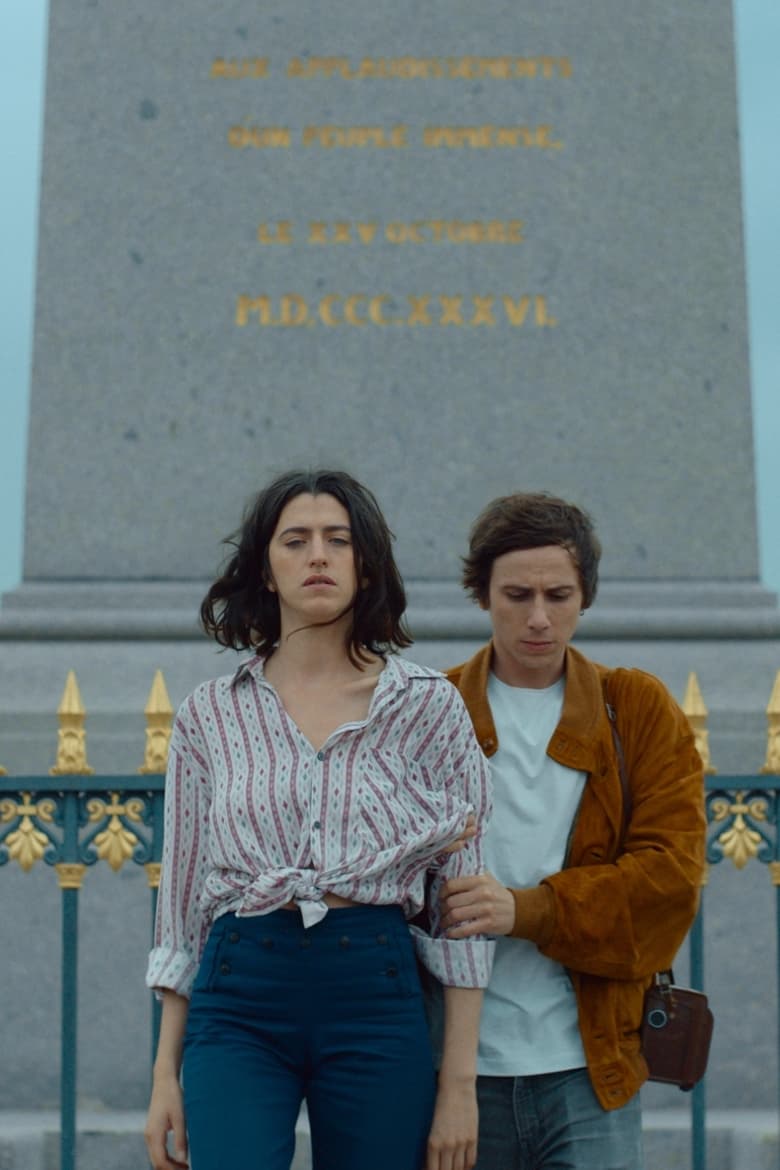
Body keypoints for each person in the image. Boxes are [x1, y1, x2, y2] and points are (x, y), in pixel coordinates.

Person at [144, 469, 494, 1170]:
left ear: (366, 564)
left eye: (339, 540)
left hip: (374, 988)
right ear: (265, 570)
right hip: (240, 991)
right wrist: (163, 1077)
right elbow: (181, 907)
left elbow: (462, 914)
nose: (318, 557)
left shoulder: (427, 707)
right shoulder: (211, 713)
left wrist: (459, 1086)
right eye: (296, 540)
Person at [438, 491, 706, 1170]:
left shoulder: (635, 709)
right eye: (516, 595)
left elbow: (671, 880)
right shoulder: (432, 710)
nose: (538, 618)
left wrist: (528, 910)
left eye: (558, 596)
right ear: (481, 594)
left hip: (591, 1069)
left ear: (584, 597)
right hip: (455, 1072)